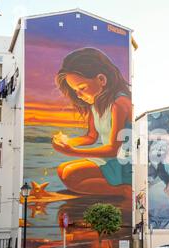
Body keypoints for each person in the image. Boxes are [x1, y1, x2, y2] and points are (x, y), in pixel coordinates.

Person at [53, 47, 132, 197]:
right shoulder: (94, 104)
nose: (79, 95)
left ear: (101, 79)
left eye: (82, 88)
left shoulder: (119, 103)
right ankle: (115, 189)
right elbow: (91, 136)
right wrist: (68, 142)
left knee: (70, 174)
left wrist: (73, 152)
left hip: (124, 162)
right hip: (110, 158)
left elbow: (113, 149)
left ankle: (123, 191)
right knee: (62, 170)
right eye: (75, 90)